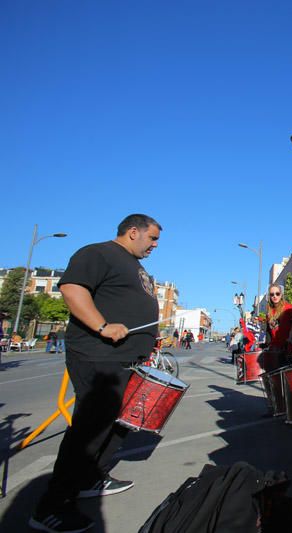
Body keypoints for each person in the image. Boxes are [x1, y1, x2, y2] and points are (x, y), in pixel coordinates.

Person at [30, 214, 162, 533]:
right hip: (98, 355)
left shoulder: (134, 265)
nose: (155, 245)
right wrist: (102, 326)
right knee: (91, 427)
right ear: (133, 232)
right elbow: (73, 290)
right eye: (153, 238)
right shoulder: (98, 253)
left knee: (120, 422)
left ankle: (91, 477)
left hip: (128, 357)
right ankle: (52, 506)